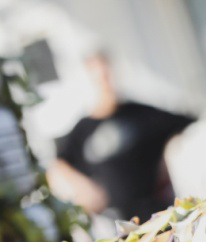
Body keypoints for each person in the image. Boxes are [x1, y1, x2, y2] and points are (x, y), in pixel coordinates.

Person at [48, 53, 193, 224]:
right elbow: (58, 166)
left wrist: (169, 152)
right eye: (98, 78)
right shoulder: (82, 130)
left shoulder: (140, 114)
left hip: (157, 215)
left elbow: (186, 123)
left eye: (107, 76)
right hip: (114, 224)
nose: (104, 83)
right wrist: (85, 190)